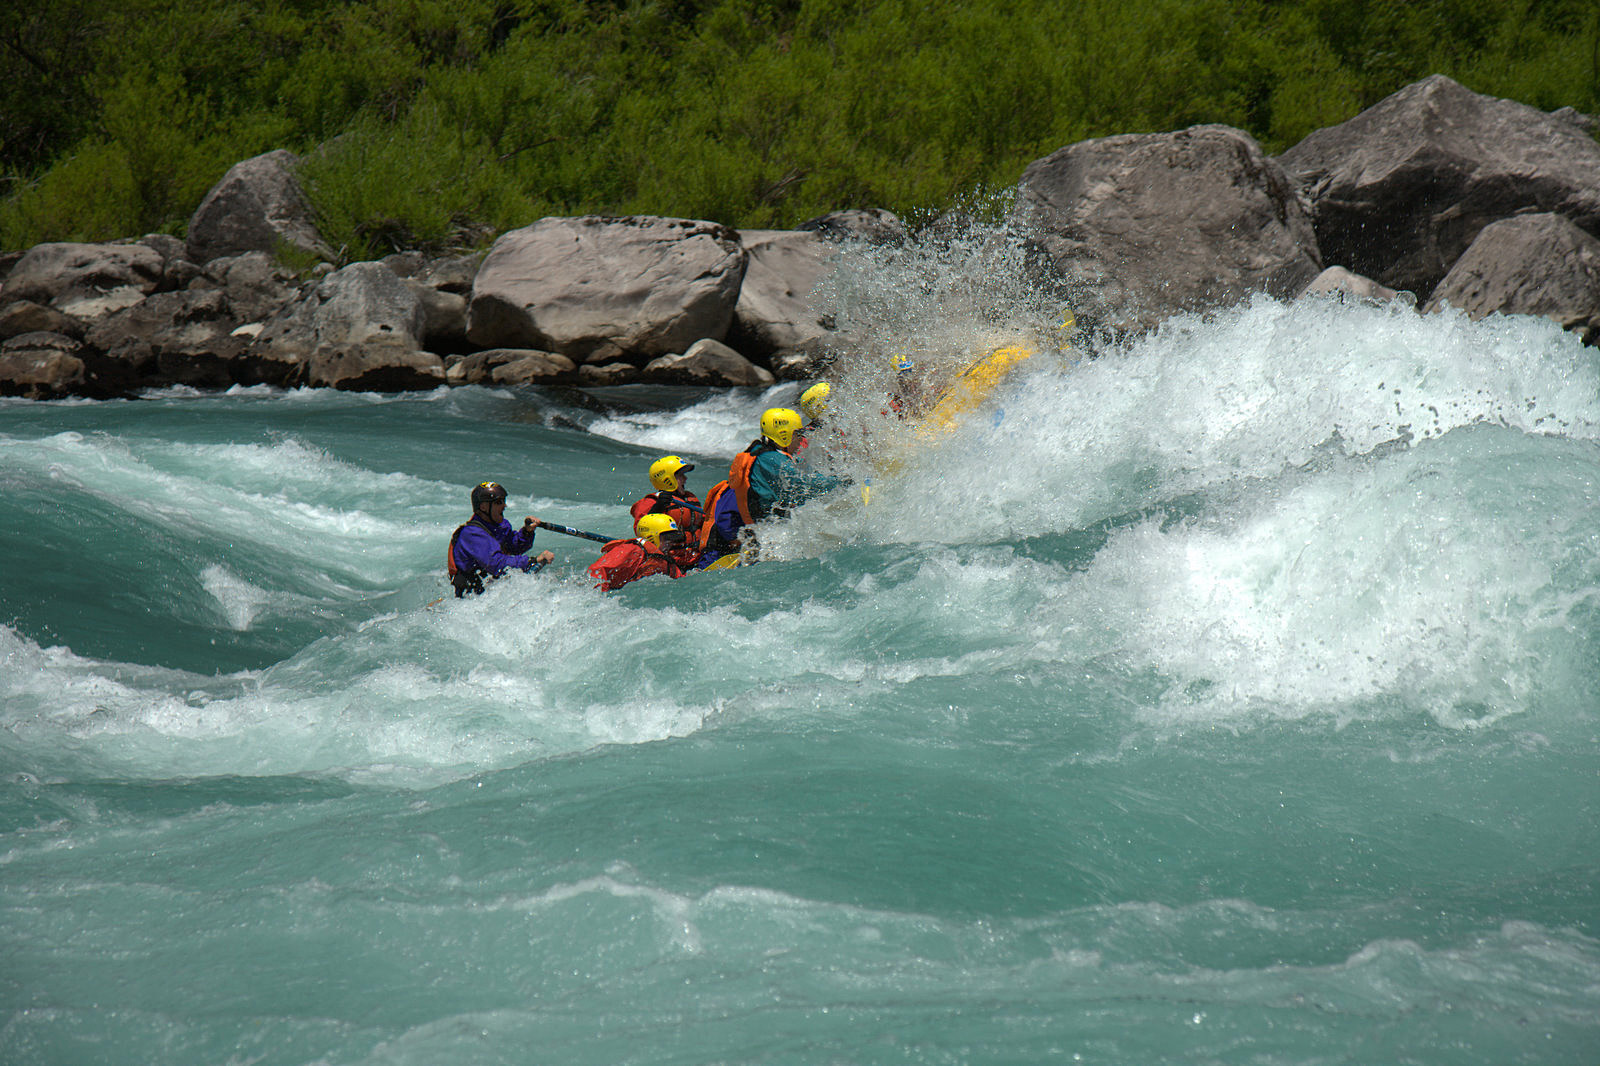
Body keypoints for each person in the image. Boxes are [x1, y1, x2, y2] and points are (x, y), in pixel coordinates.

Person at [695, 407, 848, 565]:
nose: (801, 440)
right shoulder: (770, 460)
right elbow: (805, 483)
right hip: (736, 545)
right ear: (784, 436)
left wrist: (816, 425)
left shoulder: (768, 455)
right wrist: (844, 482)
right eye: (798, 434)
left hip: (756, 533)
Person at [447, 481, 554, 597]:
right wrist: (533, 561)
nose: (504, 506)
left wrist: (527, 532)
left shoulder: (499, 526)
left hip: (490, 592)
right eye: (498, 502)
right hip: (472, 598)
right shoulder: (472, 534)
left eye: (504, 501)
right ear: (483, 507)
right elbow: (496, 564)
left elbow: (515, 547)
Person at [589, 514, 695, 591]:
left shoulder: (665, 561)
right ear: (652, 537)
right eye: (667, 539)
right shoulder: (632, 550)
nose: (670, 543)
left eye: (672, 539)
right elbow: (598, 573)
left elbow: (681, 581)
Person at [629, 455, 703, 535]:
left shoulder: (689, 497)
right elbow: (641, 531)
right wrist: (657, 509)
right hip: (671, 547)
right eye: (681, 475)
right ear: (667, 479)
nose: (685, 478)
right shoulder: (651, 502)